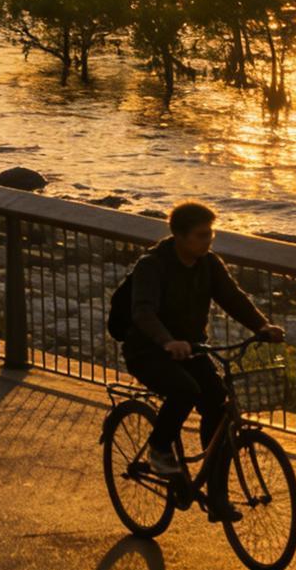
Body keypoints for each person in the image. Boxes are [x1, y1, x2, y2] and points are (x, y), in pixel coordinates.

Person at [120, 200, 284, 522]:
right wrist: (167, 341)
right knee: (185, 390)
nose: (208, 241)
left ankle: (217, 495)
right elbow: (143, 311)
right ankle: (159, 448)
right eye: (200, 235)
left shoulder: (209, 263)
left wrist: (261, 326)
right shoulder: (152, 265)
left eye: (210, 234)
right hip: (148, 351)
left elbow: (233, 297)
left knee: (217, 402)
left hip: (192, 348)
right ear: (179, 236)